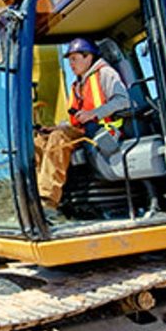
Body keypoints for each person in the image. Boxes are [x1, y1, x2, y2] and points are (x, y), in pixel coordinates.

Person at [35, 38, 129, 212]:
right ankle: (33, 194)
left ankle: (48, 200)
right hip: (81, 131)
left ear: (88, 57)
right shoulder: (77, 84)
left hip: (101, 131)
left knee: (59, 139)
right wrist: (55, 127)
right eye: (69, 60)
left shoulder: (106, 73)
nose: (70, 64)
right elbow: (74, 118)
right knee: (39, 141)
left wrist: (95, 113)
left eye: (74, 58)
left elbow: (123, 101)